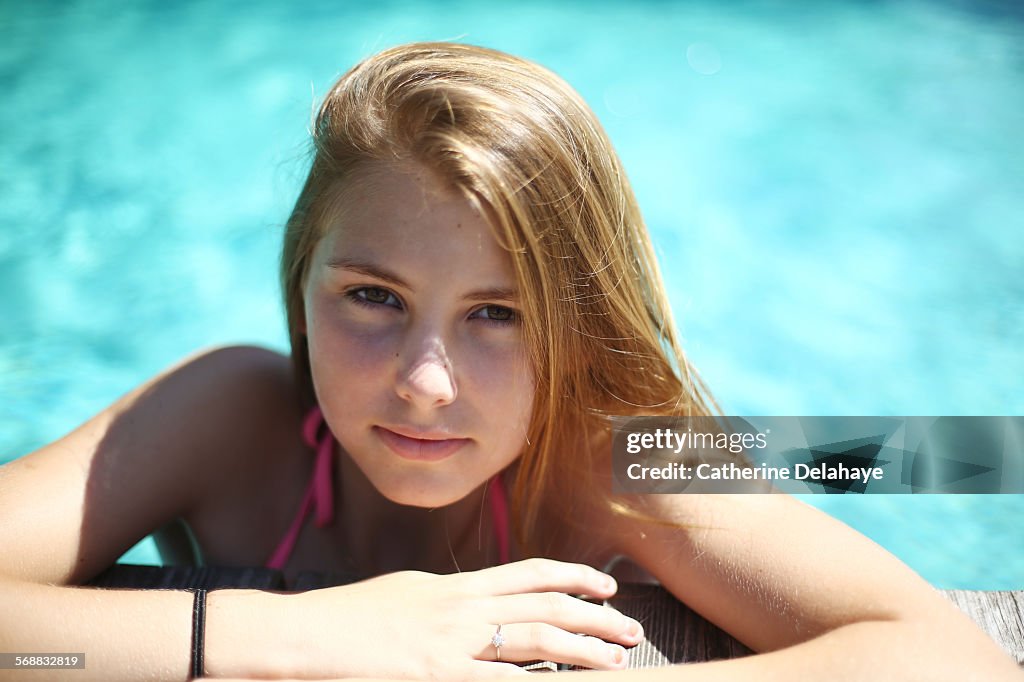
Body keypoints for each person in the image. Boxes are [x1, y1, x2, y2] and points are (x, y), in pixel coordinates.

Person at [0, 42, 1017, 682]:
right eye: (372, 297)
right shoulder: (226, 411)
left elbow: (949, 655)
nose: (423, 380)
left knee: (924, 454)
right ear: (301, 279)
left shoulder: (616, 462)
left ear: (576, 321)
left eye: (497, 312)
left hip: (683, 443)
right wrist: (304, 639)